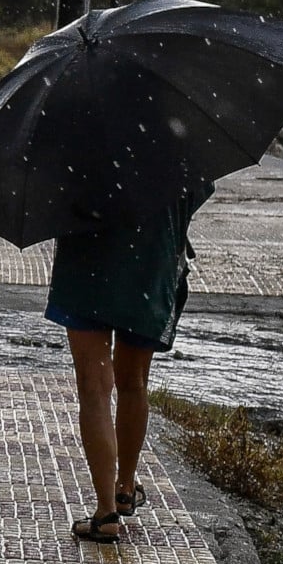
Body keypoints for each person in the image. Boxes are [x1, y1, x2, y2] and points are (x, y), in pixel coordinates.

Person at [45, 181, 213, 543]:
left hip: (87, 259)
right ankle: (125, 485)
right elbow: (197, 190)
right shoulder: (173, 132)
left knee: (94, 387)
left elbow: (52, 196)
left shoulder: (72, 134)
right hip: (151, 258)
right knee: (133, 381)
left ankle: (106, 512)